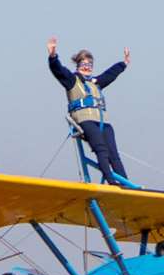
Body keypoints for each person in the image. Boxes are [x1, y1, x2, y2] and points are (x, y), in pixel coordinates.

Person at [47, 36, 131, 186]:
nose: (87, 67)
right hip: (85, 121)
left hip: (102, 122)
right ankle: (112, 182)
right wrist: (53, 57)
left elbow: (110, 74)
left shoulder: (96, 82)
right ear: (78, 65)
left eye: (90, 64)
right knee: (101, 150)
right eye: (84, 64)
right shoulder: (72, 80)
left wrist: (123, 64)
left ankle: (127, 185)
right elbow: (59, 70)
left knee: (114, 155)